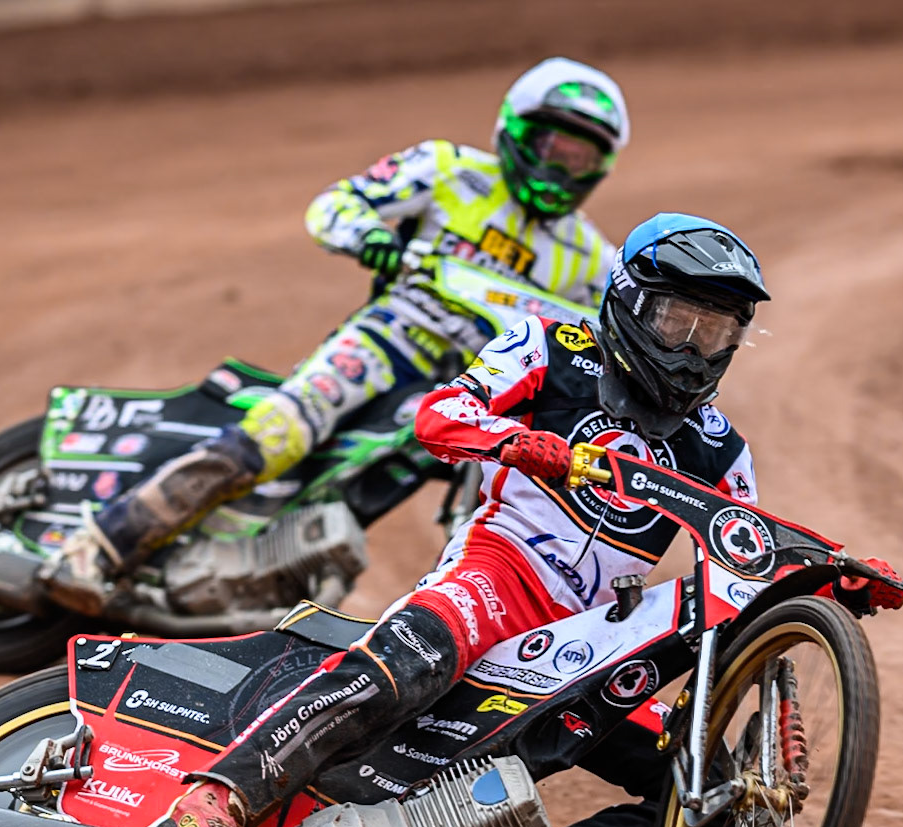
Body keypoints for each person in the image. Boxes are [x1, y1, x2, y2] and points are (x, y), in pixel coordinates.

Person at [146, 214, 903, 827]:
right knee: (414, 654)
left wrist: (833, 570)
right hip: (496, 576)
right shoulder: (549, 345)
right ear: (631, 303)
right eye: (678, 321)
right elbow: (439, 413)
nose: (692, 349)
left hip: (590, 639)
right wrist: (517, 441)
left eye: (716, 333)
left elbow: (748, 553)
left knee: (732, 801)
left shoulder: (722, 448)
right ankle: (210, 806)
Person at [43, 57, 632, 614]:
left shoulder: (590, 258)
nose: (560, 166)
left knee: (481, 490)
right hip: (391, 338)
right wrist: (367, 236)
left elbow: (618, 333)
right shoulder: (448, 168)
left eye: (580, 158)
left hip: (472, 385)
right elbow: (336, 204)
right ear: (515, 130)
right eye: (551, 145)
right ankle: (96, 548)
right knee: (278, 434)